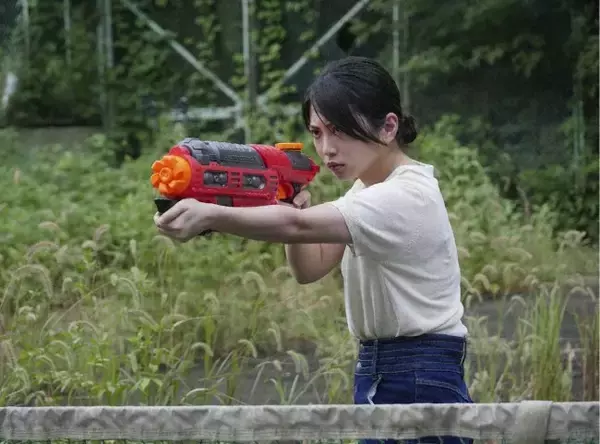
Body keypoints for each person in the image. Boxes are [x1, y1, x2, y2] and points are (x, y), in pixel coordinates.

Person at [154, 56, 473, 444]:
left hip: (418, 369)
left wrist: (212, 214)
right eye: (317, 133)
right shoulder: (364, 192)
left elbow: (297, 226)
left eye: (339, 131)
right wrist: (288, 205)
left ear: (388, 127)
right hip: (383, 368)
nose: (326, 148)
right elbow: (310, 267)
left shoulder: (405, 195)